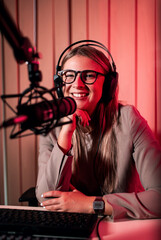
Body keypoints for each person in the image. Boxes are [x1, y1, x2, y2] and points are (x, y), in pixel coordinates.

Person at [36, 43, 161, 220]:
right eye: (69, 76)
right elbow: (45, 198)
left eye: (88, 75)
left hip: (121, 230)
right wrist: (65, 135)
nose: (77, 84)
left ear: (109, 84)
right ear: (59, 84)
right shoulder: (51, 126)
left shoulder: (129, 119)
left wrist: (90, 204)